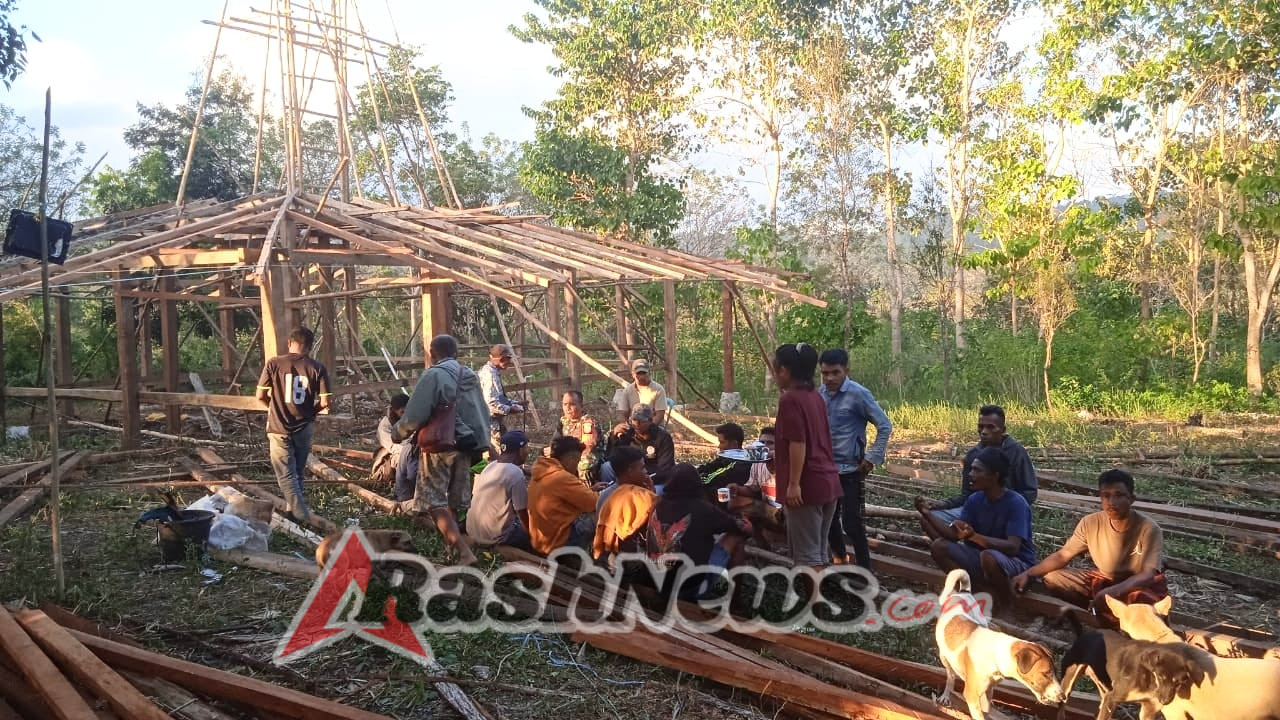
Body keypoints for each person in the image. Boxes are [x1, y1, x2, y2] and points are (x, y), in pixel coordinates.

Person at [1012, 469, 1166, 621]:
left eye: (1118, 495)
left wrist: (1113, 592)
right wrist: (1029, 574)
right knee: (1053, 578)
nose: (1111, 503)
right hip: (1104, 579)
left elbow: (1148, 574)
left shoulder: (1149, 529)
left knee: (1144, 602)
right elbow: (1063, 555)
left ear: (1132, 499)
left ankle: (1110, 611)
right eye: (1106, 496)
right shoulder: (1090, 523)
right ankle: (1094, 608)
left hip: (1134, 583)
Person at [392, 334, 489, 566]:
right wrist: (482, 443)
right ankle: (452, 552)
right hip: (466, 445)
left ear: (432, 353)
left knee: (433, 502)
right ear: (456, 352)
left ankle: (464, 552)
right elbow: (480, 411)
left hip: (440, 446)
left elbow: (416, 414)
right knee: (456, 502)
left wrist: (398, 433)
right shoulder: (470, 376)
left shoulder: (433, 375)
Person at [914, 446, 1036, 609]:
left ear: (995, 476)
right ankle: (980, 592)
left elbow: (1013, 548)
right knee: (939, 547)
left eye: (977, 470)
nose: (971, 474)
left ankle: (1006, 603)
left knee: (989, 557)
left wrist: (974, 537)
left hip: (1018, 563)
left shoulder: (1016, 503)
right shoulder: (975, 499)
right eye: (971, 469)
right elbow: (953, 535)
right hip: (984, 557)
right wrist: (927, 514)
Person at [818, 348, 892, 570]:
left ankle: (865, 568)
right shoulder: (819, 394)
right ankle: (840, 559)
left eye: (835, 373)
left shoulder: (859, 394)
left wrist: (871, 458)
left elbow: (884, 425)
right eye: (825, 373)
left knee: (852, 523)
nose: (830, 378)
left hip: (851, 469)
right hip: (826, 469)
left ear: (846, 371)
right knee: (828, 521)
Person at [772, 343, 842, 570]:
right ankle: (818, 601)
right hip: (827, 481)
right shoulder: (815, 396)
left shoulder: (790, 399)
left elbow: (798, 442)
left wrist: (793, 484)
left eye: (777, 369)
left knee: (808, 559)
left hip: (807, 486)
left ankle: (814, 604)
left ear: (784, 370)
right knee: (819, 552)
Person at [921, 405, 1037, 538]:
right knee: (929, 520)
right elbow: (967, 494)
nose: (984, 432)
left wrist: (1009, 508)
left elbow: (1029, 491)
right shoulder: (973, 455)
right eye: (981, 427)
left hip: (1006, 513)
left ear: (1003, 430)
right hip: (975, 511)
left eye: (990, 427)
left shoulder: (1016, 452)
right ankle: (957, 549)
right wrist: (945, 504)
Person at [257, 327, 331, 525]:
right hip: (304, 427)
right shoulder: (317, 368)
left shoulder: (273, 363)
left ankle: (300, 514)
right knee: (297, 472)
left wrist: (272, 409)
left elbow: (260, 396)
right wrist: (310, 413)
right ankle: (293, 513)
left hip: (278, 427)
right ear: (309, 346)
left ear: (290, 343)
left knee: (285, 474)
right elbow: (324, 403)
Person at [648, 463, 750, 601]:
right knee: (736, 537)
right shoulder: (703, 509)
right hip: (690, 589)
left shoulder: (657, 505)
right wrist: (748, 528)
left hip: (655, 582)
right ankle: (736, 603)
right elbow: (739, 527)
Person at [527, 436, 598, 555]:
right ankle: (603, 559)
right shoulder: (561, 477)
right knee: (603, 512)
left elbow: (564, 496)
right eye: (577, 461)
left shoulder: (542, 470)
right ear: (571, 458)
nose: (577, 466)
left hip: (540, 541)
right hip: (559, 543)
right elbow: (594, 503)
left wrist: (590, 490)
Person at [469, 430, 533, 552]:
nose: (527, 452)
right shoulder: (515, 473)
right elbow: (522, 512)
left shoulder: (490, 466)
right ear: (520, 451)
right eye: (526, 448)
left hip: (473, 530)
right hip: (495, 537)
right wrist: (531, 534)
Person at [593, 446, 658, 566]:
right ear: (629, 470)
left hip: (605, 557)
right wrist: (652, 493)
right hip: (627, 563)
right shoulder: (638, 498)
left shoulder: (604, 494)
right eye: (642, 467)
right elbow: (654, 531)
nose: (646, 472)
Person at [728, 428, 784, 551]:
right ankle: (763, 546)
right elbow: (752, 489)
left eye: (770, 443)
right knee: (735, 501)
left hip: (789, 515)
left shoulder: (787, 463)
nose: (764, 447)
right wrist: (737, 488)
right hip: (769, 511)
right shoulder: (758, 463)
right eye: (762, 443)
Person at [606, 404, 676, 486]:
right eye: (634, 420)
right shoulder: (627, 433)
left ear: (650, 421)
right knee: (606, 467)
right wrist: (613, 437)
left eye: (642, 421)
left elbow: (665, 468)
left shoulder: (662, 437)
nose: (637, 424)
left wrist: (644, 480)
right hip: (629, 477)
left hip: (654, 480)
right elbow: (612, 457)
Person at [479, 344, 525, 456]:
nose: (510, 362)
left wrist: (514, 403)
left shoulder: (492, 372)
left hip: (494, 423)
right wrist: (510, 409)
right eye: (508, 359)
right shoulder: (490, 375)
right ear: (501, 359)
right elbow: (491, 404)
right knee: (495, 456)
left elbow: (499, 398)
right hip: (490, 425)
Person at [554, 390, 604, 482]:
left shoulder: (587, 423)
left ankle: (587, 491)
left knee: (584, 464)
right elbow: (554, 443)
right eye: (565, 404)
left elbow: (587, 447)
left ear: (581, 406)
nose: (568, 408)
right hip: (569, 457)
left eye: (572, 404)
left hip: (588, 458)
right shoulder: (563, 422)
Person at [696, 422, 752, 501]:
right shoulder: (725, 458)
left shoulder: (741, 464)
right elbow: (706, 467)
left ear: (734, 444)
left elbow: (711, 479)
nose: (719, 446)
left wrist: (693, 480)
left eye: (722, 442)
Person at [373, 393, 413, 488]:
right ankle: (402, 485)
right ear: (394, 411)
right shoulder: (385, 426)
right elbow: (393, 447)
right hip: (392, 455)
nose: (405, 414)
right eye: (402, 412)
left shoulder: (412, 417)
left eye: (408, 411)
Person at [614, 358, 668, 427]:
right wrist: (626, 426)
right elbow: (622, 413)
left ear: (649, 372)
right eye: (639, 373)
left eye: (644, 373)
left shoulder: (658, 389)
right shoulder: (627, 391)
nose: (641, 376)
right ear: (633, 374)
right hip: (633, 427)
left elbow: (660, 414)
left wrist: (647, 428)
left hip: (653, 426)